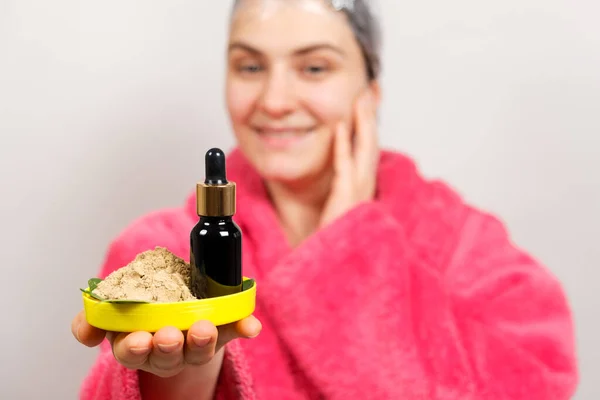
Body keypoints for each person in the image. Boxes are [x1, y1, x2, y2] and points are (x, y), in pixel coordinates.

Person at [71, 0, 579, 399]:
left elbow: (536, 381)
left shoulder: (464, 245)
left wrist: (351, 253)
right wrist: (180, 378)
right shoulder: (163, 252)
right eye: (249, 67)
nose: (274, 101)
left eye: (314, 68)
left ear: (371, 91)